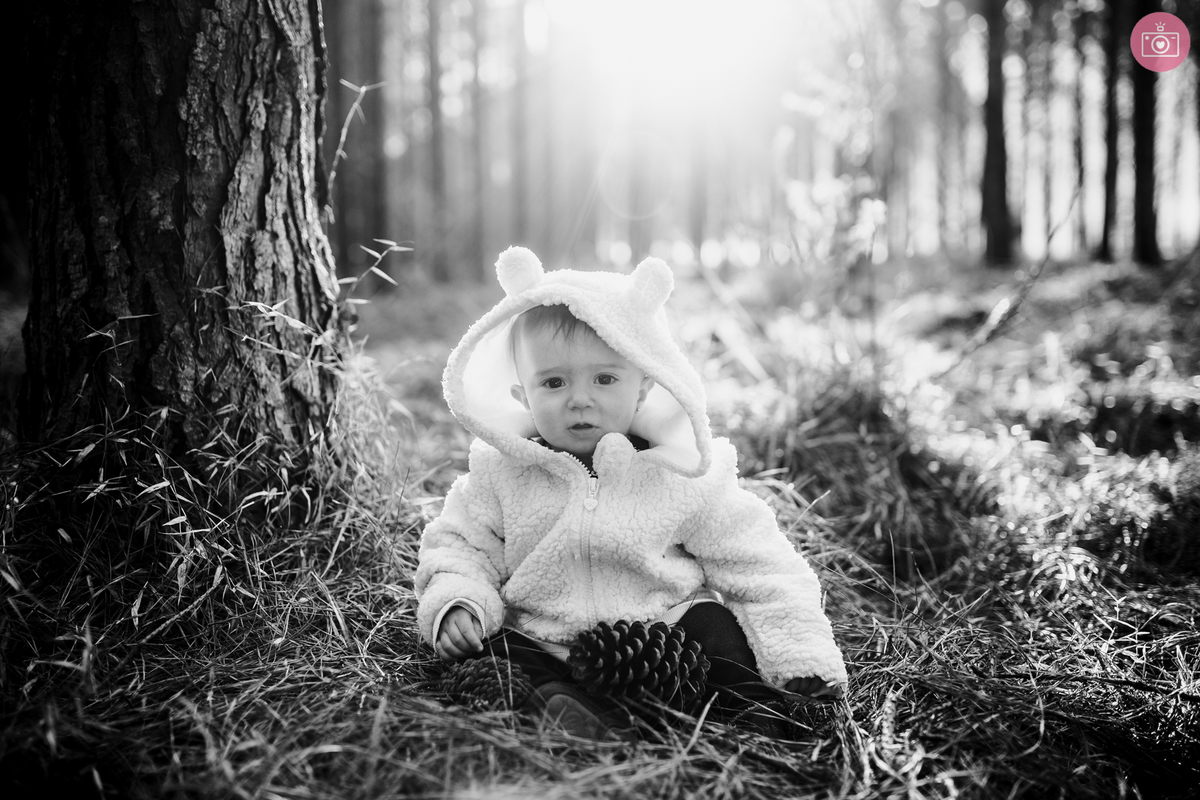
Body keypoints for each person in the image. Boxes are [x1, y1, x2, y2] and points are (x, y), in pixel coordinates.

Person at [415, 247, 847, 740]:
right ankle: (564, 710)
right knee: (490, 655)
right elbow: (459, 545)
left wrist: (800, 651)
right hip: (545, 637)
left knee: (715, 626)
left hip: (663, 639)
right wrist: (459, 602)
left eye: (605, 378)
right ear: (524, 397)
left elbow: (758, 560)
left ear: (643, 386)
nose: (580, 399)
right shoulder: (500, 471)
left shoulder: (679, 471)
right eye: (553, 382)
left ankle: (755, 707)